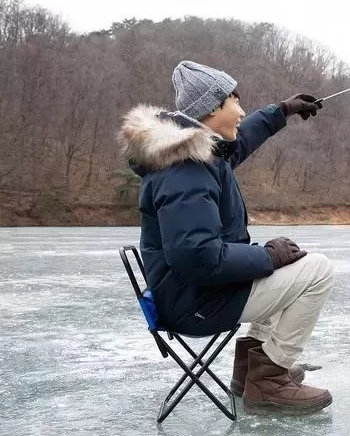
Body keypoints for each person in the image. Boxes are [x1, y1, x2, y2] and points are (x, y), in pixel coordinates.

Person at [117, 60, 335, 415]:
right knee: (318, 270)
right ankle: (269, 379)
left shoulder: (195, 152)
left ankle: (250, 371)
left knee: (287, 265)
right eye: (235, 100)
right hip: (197, 303)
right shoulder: (185, 171)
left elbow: (238, 143)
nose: (241, 109)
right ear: (212, 108)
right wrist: (268, 257)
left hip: (195, 293)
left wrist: (281, 111)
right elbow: (196, 256)